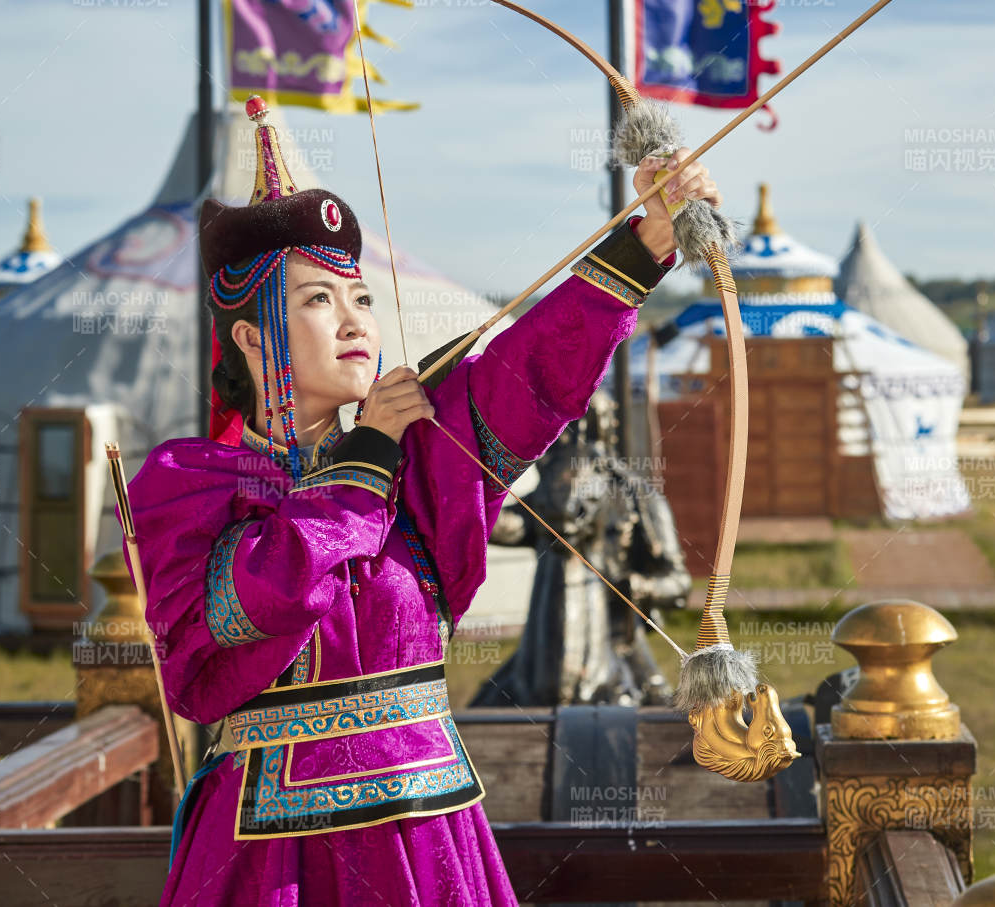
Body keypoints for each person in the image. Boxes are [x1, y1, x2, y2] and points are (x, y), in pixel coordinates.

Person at [122, 97, 722, 906]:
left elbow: (529, 374)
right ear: (253, 337)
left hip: (430, 836)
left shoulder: (415, 453)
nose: (353, 320)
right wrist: (364, 458)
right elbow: (243, 611)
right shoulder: (186, 480)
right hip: (269, 856)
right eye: (317, 300)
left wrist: (648, 239)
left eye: (361, 299)